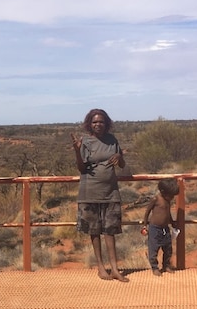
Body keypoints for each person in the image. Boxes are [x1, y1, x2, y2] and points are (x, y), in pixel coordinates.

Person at [71, 108, 130, 282]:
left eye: (101, 122)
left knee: (110, 231)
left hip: (110, 192)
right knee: (94, 231)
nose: (98, 125)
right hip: (89, 192)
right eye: (95, 122)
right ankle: (101, 267)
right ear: (89, 123)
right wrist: (77, 151)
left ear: (107, 123)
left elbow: (122, 165)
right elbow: (81, 169)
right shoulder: (86, 142)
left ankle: (115, 268)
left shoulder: (112, 140)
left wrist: (119, 156)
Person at [142, 178, 180, 276]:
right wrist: (144, 226)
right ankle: (155, 267)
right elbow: (147, 212)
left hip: (165, 228)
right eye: (170, 195)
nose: (172, 197)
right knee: (154, 249)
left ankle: (166, 265)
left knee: (168, 248)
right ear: (163, 192)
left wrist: (172, 222)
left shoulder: (168, 201)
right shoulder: (156, 199)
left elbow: (168, 212)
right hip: (155, 229)